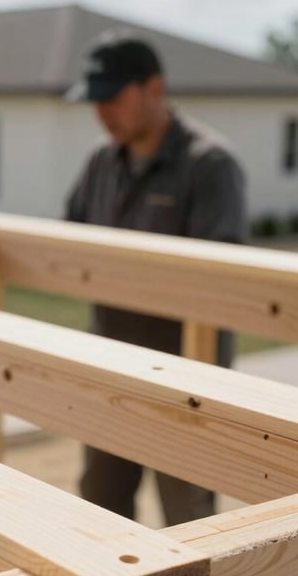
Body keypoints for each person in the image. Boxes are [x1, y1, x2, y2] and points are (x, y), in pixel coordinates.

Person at [65, 30, 248, 525]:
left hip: (185, 383)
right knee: (100, 512)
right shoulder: (101, 162)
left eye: (113, 98)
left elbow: (220, 284)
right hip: (112, 368)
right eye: (95, 100)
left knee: (191, 527)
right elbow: (67, 249)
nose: (102, 112)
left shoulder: (209, 166)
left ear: (154, 88)